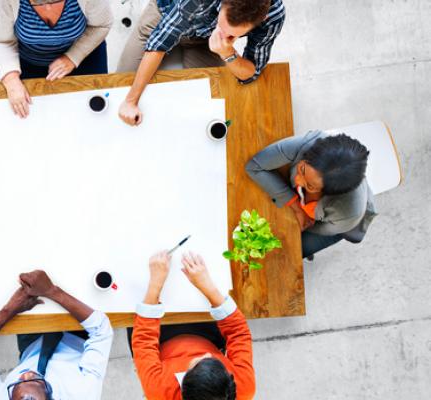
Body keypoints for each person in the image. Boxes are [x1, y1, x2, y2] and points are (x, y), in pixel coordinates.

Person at [117, 0, 285, 126]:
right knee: (120, 89)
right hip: (165, 15)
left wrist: (227, 53)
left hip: (204, 40)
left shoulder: (274, 16)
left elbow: (250, 74)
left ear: (264, 18)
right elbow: (160, 43)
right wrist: (131, 101)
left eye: (232, 36)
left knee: (205, 112)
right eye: (222, 26)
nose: (224, 35)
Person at [0, 270, 113, 399]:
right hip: (78, 333)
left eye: (18, 382)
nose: (27, 374)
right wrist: (51, 290)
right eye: (36, 380)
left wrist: (10, 309)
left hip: (31, 340)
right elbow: (101, 330)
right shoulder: (83, 394)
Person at [131, 251, 255, 400]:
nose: (207, 354)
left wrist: (156, 283)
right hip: (208, 337)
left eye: (198, 362)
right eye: (215, 361)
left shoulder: (160, 392)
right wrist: (207, 286)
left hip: (159, 342)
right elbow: (239, 334)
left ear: (183, 384)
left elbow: (143, 342)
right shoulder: (243, 387)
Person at [245, 131, 375, 259]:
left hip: (339, 226)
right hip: (324, 207)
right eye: (302, 169)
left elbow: (319, 229)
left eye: (310, 186)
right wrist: (296, 206)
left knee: (292, 252)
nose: (297, 181)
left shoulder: (348, 214)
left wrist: (302, 226)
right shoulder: (309, 143)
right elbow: (254, 167)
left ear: (327, 192)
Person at [0, 0, 113, 118]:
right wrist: (11, 79)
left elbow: (101, 25)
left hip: (83, 56)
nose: (48, 7)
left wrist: (73, 56)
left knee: (90, 116)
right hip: (22, 62)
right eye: (37, 1)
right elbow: (2, 41)